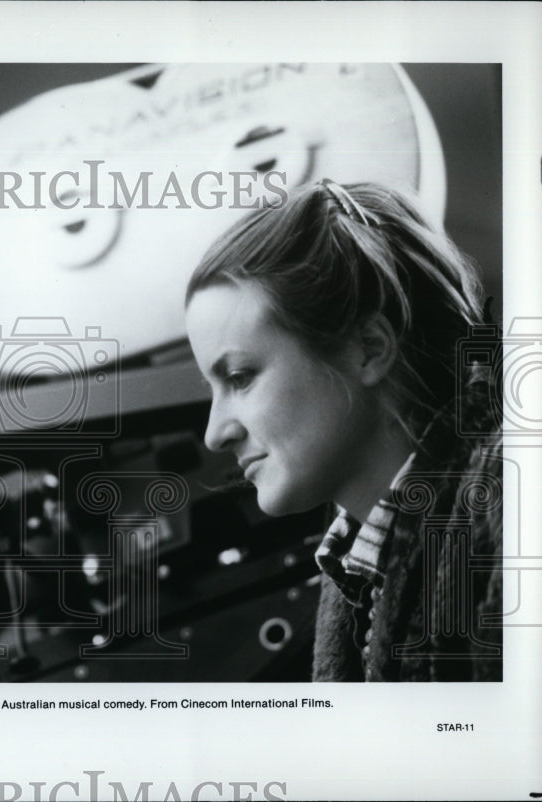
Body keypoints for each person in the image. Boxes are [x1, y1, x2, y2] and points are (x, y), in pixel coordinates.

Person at [184, 179, 503, 681]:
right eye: (212, 387)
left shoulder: (512, 529)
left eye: (240, 378)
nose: (215, 433)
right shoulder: (357, 566)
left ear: (369, 348)